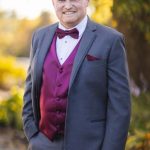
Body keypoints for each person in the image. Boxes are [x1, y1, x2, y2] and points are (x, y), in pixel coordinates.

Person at [22, 0, 131, 150]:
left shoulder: (111, 40)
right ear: (53, 2)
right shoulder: (39, 36)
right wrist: (32, 133)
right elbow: (30, 88)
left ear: (86, 1)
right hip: (42, 143)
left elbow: (120, 108)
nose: (67, 5)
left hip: (91, 145)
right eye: (61, 0)